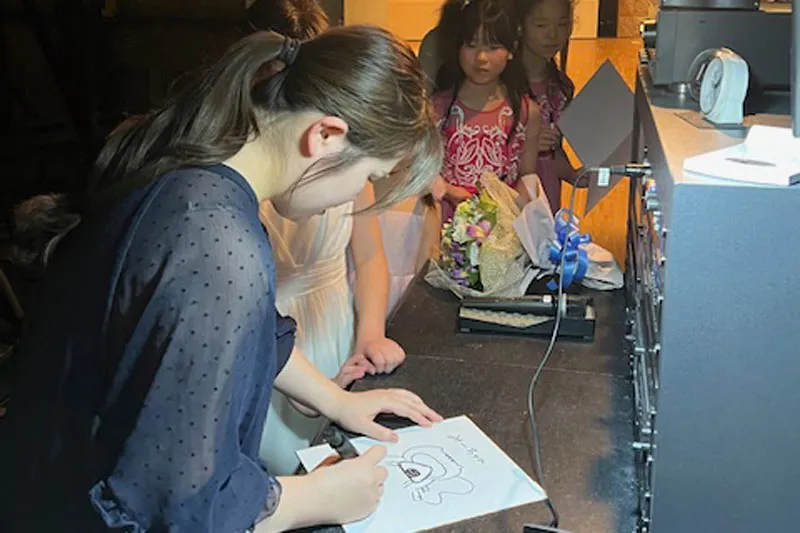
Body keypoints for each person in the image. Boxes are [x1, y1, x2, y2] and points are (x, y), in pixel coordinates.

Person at [0, 26, 443, 533]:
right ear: (325, 135)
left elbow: (246, 330)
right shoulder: (218, 238)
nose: (354, 197)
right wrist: (319, 497)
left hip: (36, 473)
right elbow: (184, 501)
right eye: (368, 177)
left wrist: (336, 401)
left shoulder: (194, 172)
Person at [243, 0, 411, 476]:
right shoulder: (228, 219)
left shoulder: (341, 169)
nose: (362, 189)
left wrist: (368, 335)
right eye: (369, 175)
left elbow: (370, 258)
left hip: (326, 332)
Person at [433, 0, 542, 226]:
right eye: (471, 45)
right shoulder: (436, 108)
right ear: (457, 47)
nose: (481, 57)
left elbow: (527, 176)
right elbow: (421, 172)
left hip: (503, 226)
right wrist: (449, 191)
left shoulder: (526, 112)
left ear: (511, 49)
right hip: (447, 224)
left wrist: (509, 209)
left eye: (493, 47)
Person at [515, 0, 582, 213]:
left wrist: (573, 174)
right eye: (541, 25)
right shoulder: (502, 85)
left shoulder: (562, 87)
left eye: (562, 24)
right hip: (510, 200)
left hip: (546, 200)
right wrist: (526, 144)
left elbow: (553, 153)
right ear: (520, 25)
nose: (552, 35)